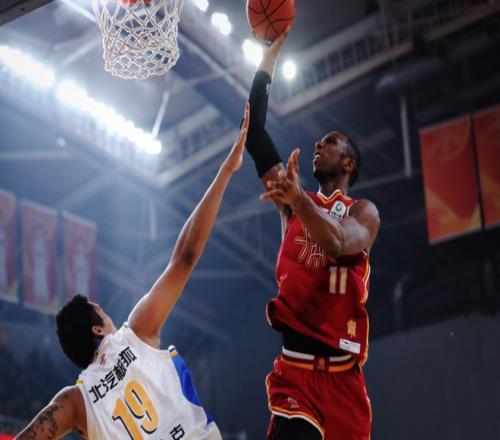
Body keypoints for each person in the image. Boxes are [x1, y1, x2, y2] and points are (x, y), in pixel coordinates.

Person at [16, 103, 251, 440]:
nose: (112, 319)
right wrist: (226, 170)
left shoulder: (74, 402)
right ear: (98, 328)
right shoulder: (137, 332)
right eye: (104, 314)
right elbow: (184, 256)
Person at [245, 30, 380, 440]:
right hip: (297, 371)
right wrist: (267, 60)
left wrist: (298, 200)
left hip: (342, 380)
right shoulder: (293, 201)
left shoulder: (362, 212)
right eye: (319, 142)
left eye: (330, 143)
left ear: (349, 163)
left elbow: (337, 243)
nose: (319, 145)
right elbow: (255, 133)